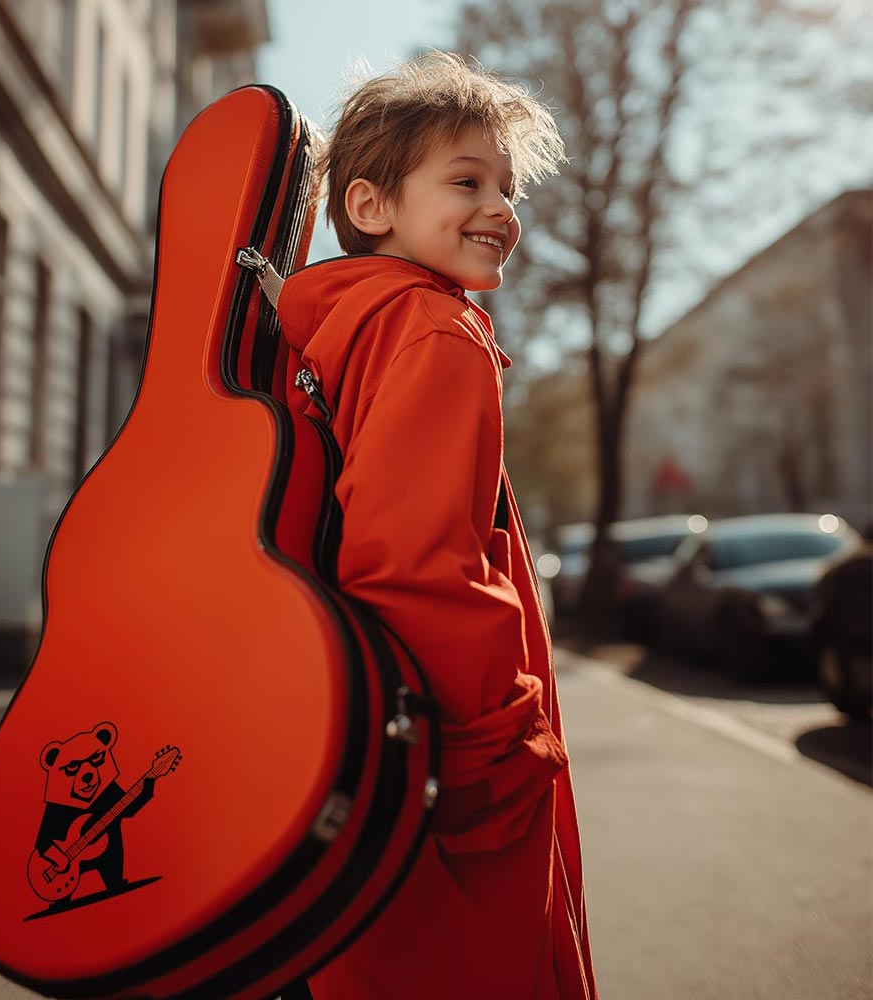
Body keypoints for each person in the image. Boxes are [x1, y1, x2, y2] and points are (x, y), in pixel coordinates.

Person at [276, 51, 599, 1000]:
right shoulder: (433, 333)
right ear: (372, 208)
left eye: (507, 186)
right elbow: (414, 560)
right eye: (466, 181)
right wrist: (505, 749)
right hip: (450, 759)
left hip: (362, 724)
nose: (502, 208)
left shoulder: (338, 328)